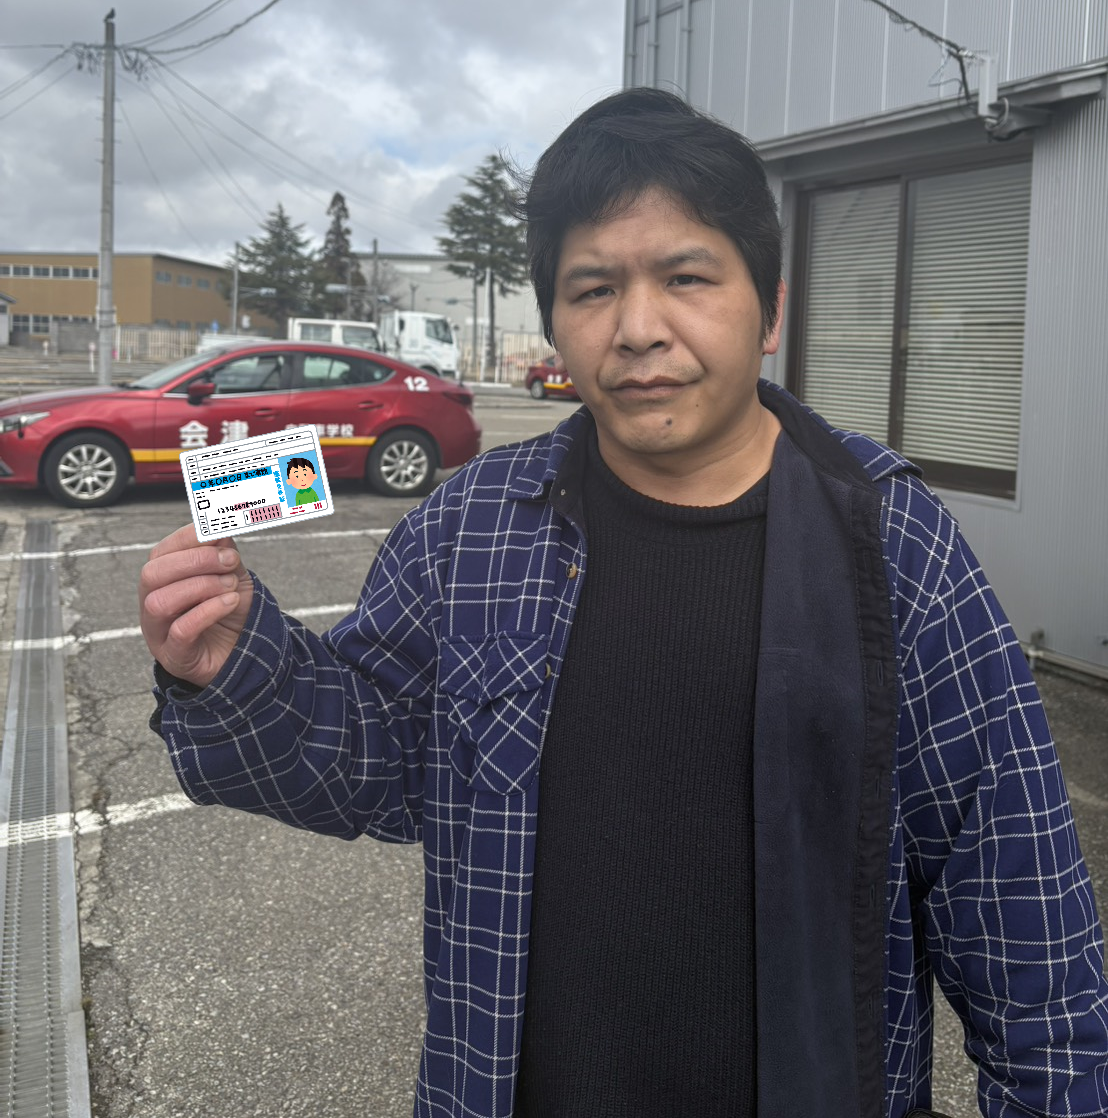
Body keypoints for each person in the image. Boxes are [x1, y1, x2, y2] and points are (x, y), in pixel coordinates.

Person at [139, 88, 1108, 1118]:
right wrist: (237, 664)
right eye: (593, 288)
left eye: (686, 277)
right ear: (557, 321)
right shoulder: (471, 528)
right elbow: (373, 763)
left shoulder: (892, 540)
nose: (638, 329)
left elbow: (1021, 912)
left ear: (770, 310)